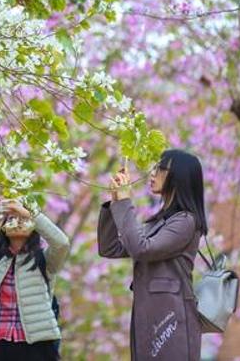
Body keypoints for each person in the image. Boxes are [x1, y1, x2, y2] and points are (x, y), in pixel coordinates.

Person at [97, 149, 208, 360]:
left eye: (160, 169)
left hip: (172, 320)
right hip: (149, 317)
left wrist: (124, 202)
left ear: (178, 177)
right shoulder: (159, 222)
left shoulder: (186, 221)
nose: (152, 173)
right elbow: (109, 247)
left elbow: (141, 249)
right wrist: (114, 202)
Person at [0, 195, 70, 361]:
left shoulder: (45, 260)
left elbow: (61, 243)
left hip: (36, 345)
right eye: (12, 218)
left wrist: (31, 213)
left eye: (22, 217)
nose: (17, 221)